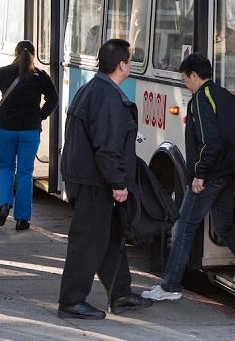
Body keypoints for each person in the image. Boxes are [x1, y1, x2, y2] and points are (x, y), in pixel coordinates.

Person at [57, 39, 152, 320]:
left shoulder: (92, 88)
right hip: (93, 181)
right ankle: (71, 302)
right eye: (131, 60)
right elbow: (107, 147)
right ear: (122, 65)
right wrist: (118, 183)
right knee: (88, 241)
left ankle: (120, 294)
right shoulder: (107, 97)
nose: (131, 65)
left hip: (86, 177)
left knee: (110, 238)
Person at [141, 53, 235, 301]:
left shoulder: (200, 100)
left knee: (184, 226)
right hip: (228, 173)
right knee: (225, 226)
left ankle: (169, 286)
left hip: (209, 176)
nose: (184, 83)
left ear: (194, 76)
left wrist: (199, 174)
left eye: (184, 78)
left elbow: (210, 143)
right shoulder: (225, 96)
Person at [0, 40, 58, 231]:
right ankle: (22, 219)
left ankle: (5, 203)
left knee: (6, 167)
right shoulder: (40, 76)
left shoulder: (4, 72)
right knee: (25, 173)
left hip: (5, 129)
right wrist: (41, 115)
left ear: (15, 54)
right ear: (33, 55)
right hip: (30, 131)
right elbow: (53, 99)